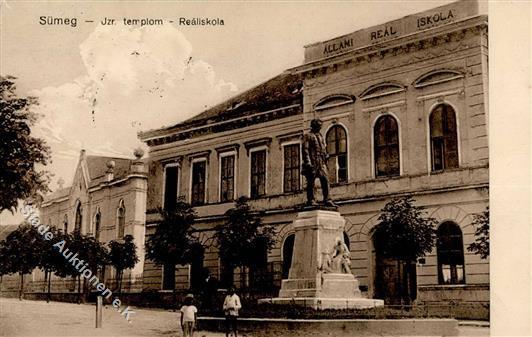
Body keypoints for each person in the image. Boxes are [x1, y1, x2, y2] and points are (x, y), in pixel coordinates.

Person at [302, 119, 337, 207]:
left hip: (321, 161)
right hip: (312, 162)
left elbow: (323, 148)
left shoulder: (320, 136)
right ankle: (311, 200)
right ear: (314, 126)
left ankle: (327, 199)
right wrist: (308, 162)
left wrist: (326, 155)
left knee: (325, 180)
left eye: (320, 126)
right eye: (318, 126)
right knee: (311, 182)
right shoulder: (308, 135)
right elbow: (305, 150)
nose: (320, 128)